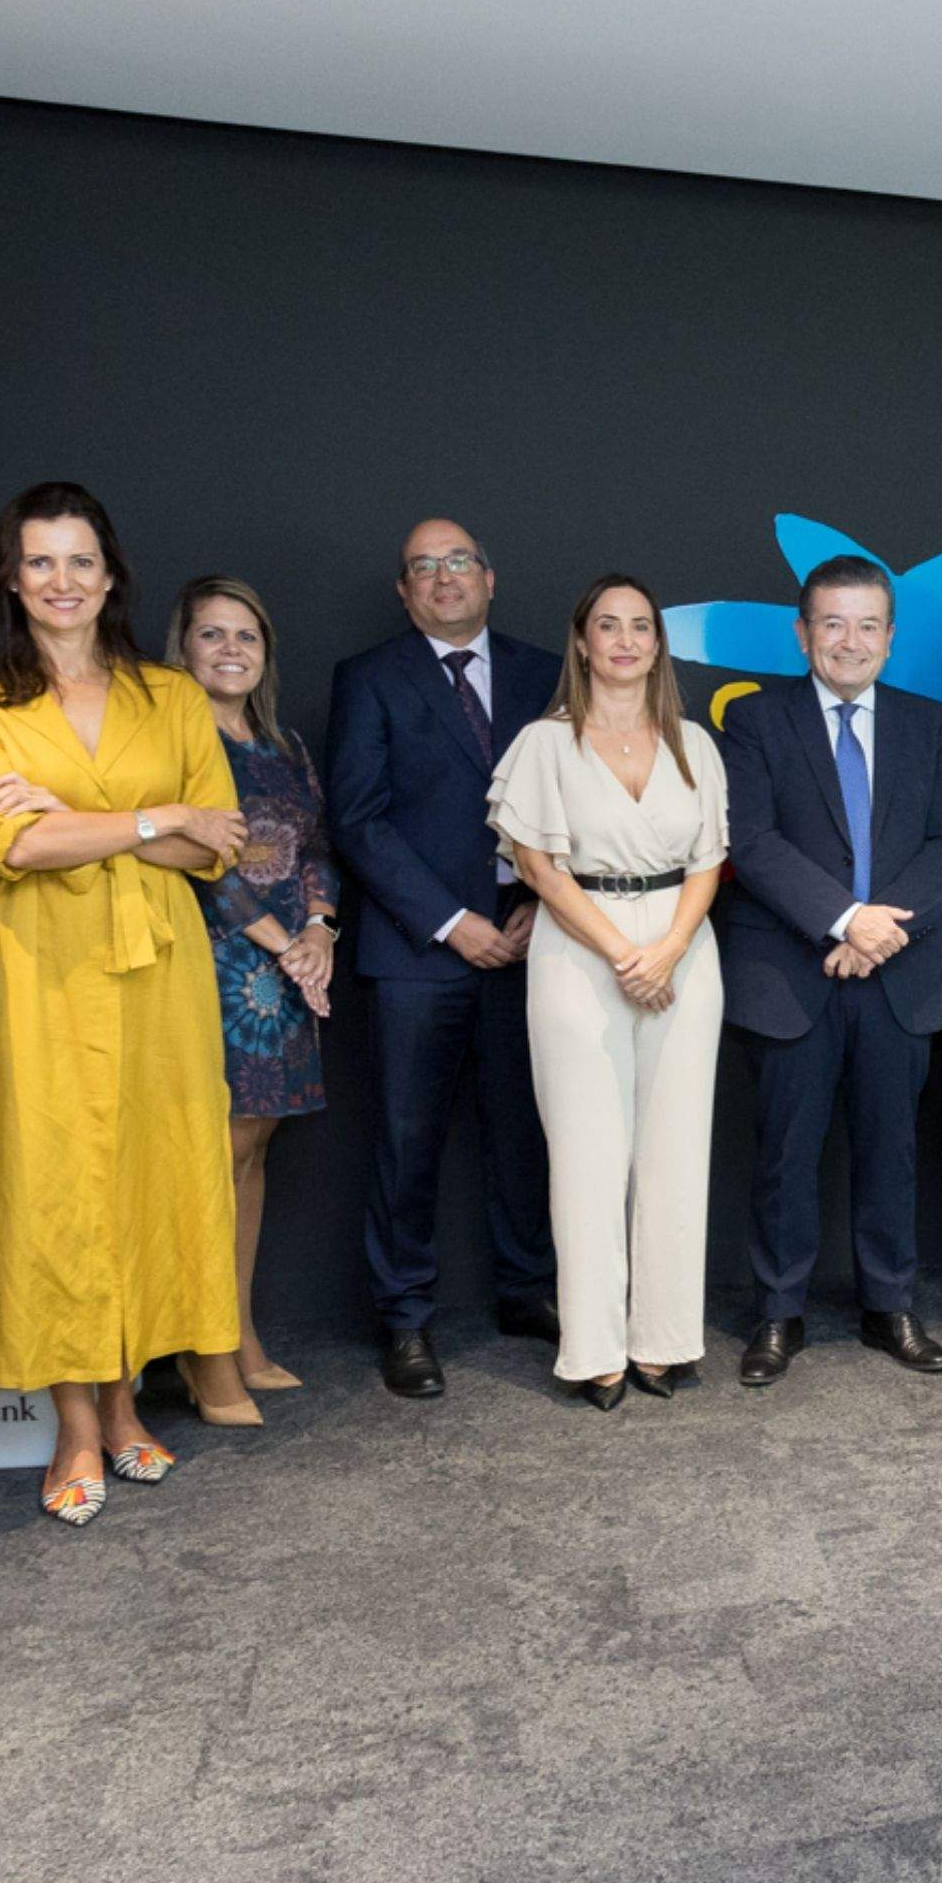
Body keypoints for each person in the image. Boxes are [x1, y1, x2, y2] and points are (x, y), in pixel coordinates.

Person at [0, 483, 245, 1521]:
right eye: (40, 562)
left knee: (148, 1183)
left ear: (110, 576)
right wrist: (155, 812)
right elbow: (15, 844)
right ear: (10, 579)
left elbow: (225, 840)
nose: (62, 582)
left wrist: (84, 817)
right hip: (39, 973)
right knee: (57, 1187)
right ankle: (75, 1426)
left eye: (81, 561)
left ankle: (125, 1410)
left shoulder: (170, 695)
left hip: (160, 974)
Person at [324, 517, 562, 1402]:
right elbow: (358, 819)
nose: (443, 577)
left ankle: (526, 1290)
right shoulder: (370, 678)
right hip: (420, 952)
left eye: (458, 560)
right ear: (404, 591)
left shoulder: (548, 673)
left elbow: (580, 795)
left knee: (527, 1133)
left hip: (537, 941)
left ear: (490, 578)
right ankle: (406, 1318)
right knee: (406, 1142)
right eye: (423, 566)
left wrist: (545, 900)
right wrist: (453, 920)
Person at [719, 555, 942, 1386]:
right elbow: (752, 842)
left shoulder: (929, 724)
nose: (850, 641)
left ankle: (889, 1305)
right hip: (791, 973)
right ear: (802, 633)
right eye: (833, 623)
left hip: (898, 974)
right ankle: (778, 1313)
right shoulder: (756, 721)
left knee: (890, 1150)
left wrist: (877, 933)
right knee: (786, 1154)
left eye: (868, 625)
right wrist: (844, 919)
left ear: (892, 639)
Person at [493, 577, 728, 1406]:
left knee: (675, 1152)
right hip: (578, 949)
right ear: (582, 642)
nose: (625, 640)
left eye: (640, 626)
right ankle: (593, 1349)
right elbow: (537, 868)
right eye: (607, 626)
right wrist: (624, 953)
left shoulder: (694, 745)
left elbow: (708, 863)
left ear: (658, 645)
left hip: (683, 950)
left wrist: (665, 949)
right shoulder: (544, 744)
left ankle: (663, 1340)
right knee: (588, 1158)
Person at [173, 575, 339, 1416]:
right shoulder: (174, 741)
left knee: (252, 1155)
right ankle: (204, 1355)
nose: (231, 650)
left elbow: (316, 845)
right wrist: (282, 946)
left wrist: (319, 929)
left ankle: (238, 1332)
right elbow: (195, 864)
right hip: (216, 969)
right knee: (212, 1160)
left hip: (288, 978)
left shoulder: (286, 744)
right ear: (185, 647)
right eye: (212, 634)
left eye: (247, 636)